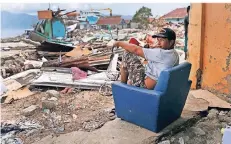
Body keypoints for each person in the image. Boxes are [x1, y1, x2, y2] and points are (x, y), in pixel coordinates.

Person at [113, 28, 179, 90]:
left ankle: (122, 88)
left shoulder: (161, 53)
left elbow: (136, 50)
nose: (158, 43)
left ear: (171, 42)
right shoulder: (174, 54)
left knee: (127, 53)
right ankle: (126, 83)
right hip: (153, 82)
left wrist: (118, 43)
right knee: (138, 65)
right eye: (158, 40)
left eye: (162, 40)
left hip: (143, 86)